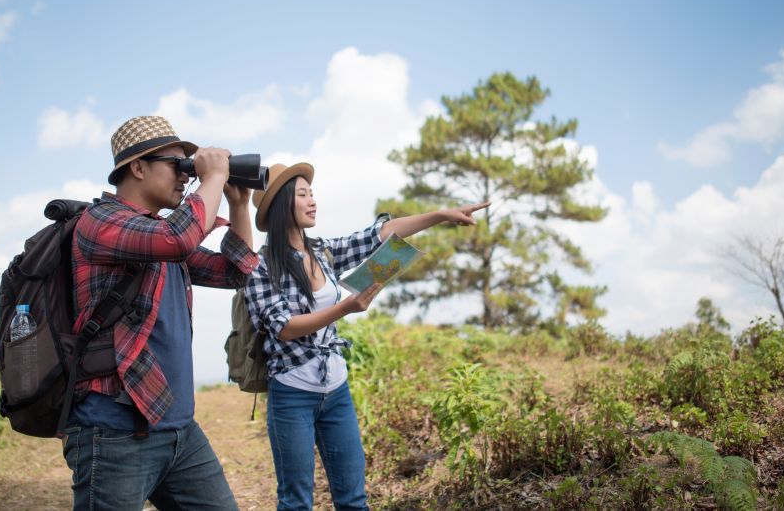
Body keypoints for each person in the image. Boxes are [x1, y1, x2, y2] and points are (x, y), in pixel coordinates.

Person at [244, 162, 488, 511]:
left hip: (336, 391)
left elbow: (379, 234)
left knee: (354, 498)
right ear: (283, 205)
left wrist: (439, 215)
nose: (313, 201)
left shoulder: (323, 251)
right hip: (292, 393)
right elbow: (283, 327)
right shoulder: (262, 266)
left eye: (312, 193)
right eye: (302, 195)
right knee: (296, 501)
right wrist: (346, 307)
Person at [62, 115, 258, 511]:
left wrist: (238, 205)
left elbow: (235, 272)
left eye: (189, 168)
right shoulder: (100, 222)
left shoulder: (160, 236)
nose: (186, 176)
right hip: (114, 429)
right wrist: (213, 177)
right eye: (177, 165)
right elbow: (177, 238)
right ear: (137, 167)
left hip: (178, 429)